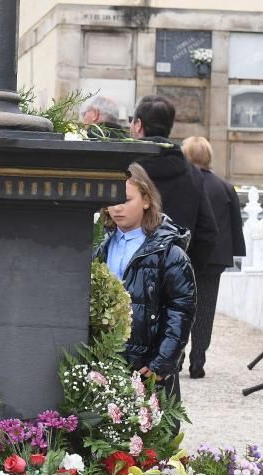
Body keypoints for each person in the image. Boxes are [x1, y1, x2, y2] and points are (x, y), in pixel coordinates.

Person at [94, 162, 196, 404]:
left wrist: (163, 361)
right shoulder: (100, 246)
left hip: (148, 364)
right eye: (112, 200)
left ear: (147, 200)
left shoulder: (170, 252)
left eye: (126, 200)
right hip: (107, 358)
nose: (117, 208)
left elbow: (181, 310)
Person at [181, 137, 246, 380]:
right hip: (214, 258)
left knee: (180, 306)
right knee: (206, 309)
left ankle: (177, 355)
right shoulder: (225, 186)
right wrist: (233, 252)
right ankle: (198, 359)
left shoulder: (186, 185)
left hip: (186, 254)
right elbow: (235, 224)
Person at [130, 95, 218, 273]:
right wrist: (186, 269)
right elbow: (207, 232)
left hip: (128, 270)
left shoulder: (126, 169)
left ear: (139, 125)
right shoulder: (193, 174)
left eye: (132, 121)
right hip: (174, 272)